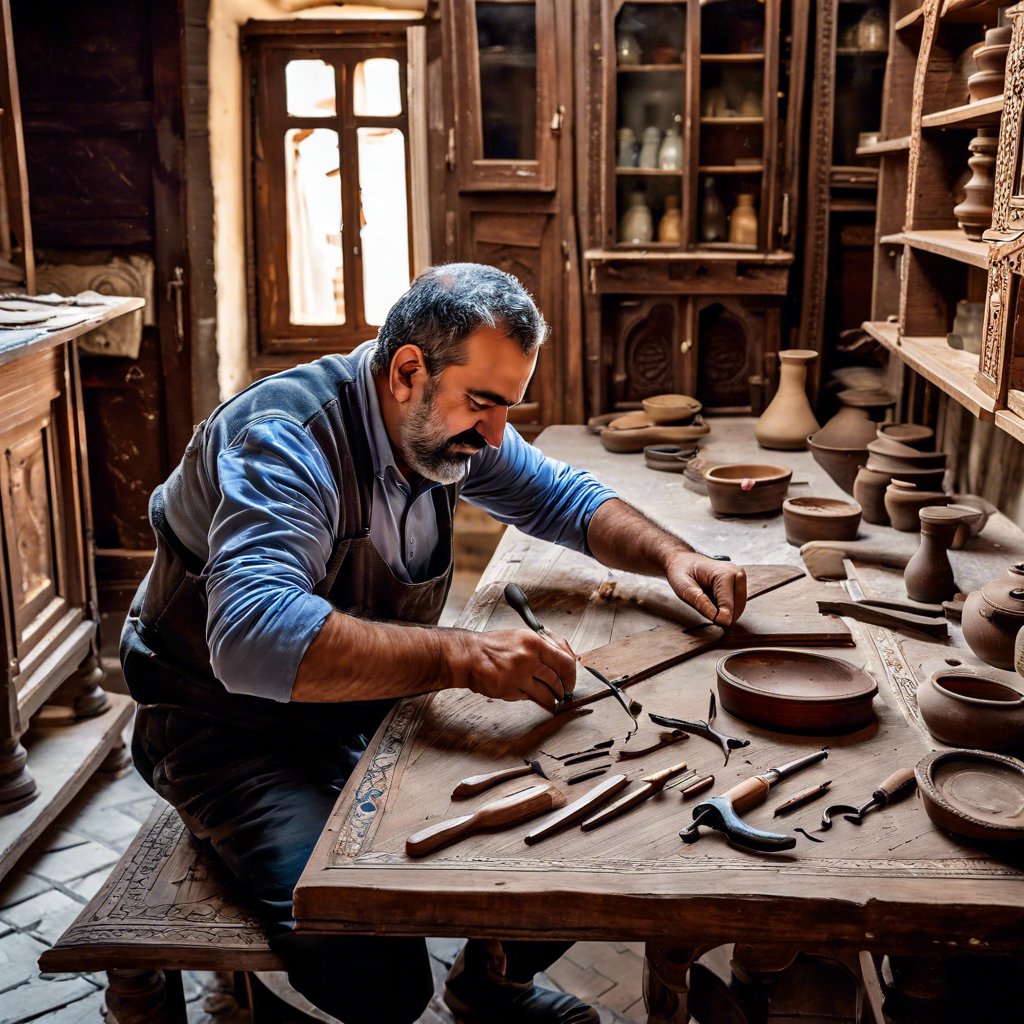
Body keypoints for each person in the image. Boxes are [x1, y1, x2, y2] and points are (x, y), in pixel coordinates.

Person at [121, 263, 746, 1024]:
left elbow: (562, 496)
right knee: (376, 973)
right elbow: (253, 638)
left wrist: (676, 556)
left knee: (578, 825)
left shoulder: (442, 427)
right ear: (408, 370)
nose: (493, 434)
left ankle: (488, 986)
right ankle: (248, 989)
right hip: (226, 730)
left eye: (507, 408)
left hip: (363, 709)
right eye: (482, 404)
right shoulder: (286, 439)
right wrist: (465, 657)